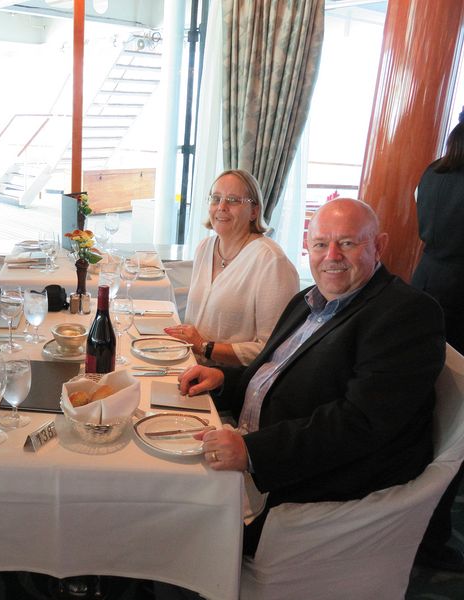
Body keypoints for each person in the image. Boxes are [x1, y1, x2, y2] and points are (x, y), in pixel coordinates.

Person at [178, 198, 445, 558]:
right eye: (320, 244)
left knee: (173, 517)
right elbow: (275, 374)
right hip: (259, 449)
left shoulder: (406, 314)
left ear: (378, 246)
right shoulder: (308, 299)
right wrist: (225, 380)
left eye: (347, 243)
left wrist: (253, 452)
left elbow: (361, 423)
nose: (331, 255)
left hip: (308, 487)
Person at [164, 169, 299, 365]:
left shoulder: (271, 261)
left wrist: (204, 346)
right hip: (188, 364)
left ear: (254, 211)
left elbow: (274, 349)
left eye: (233, 200)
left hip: (230, 383)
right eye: (215, 198)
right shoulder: (205, 247)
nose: (221, 207)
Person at [411, 111, 464, 572]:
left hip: (428, 283)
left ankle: (416, 522)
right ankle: (432, 536)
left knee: (426, 407)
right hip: (462, 299)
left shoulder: (433, 173)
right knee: (457, 416)